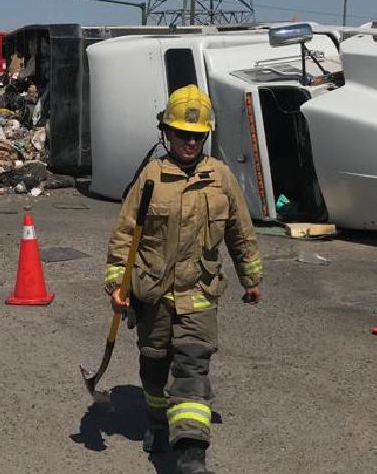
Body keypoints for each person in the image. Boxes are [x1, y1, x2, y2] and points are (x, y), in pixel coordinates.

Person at [102, 84, 262, 474]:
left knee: (193, 367)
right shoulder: (151, 178)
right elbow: (125, 234)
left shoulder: (220, 177)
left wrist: (250, 276)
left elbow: (241, 231)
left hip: (200, 292)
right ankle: (158, 422)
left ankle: (192, 453)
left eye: (197, 136)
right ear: (166, 133)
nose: (189, 142)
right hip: (152, 293)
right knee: (154, 366)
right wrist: (115, 284)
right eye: (181, 134)